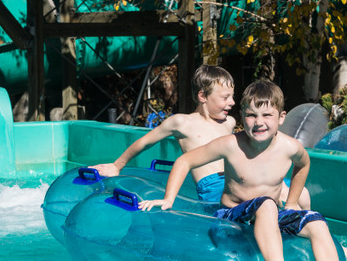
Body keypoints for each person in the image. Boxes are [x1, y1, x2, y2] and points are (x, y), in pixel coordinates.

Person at [140, 79, 347, 261]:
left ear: (281, 118)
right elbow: (185, 161)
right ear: (242, 116)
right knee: (267, 204)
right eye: (251, 115)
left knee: (316, 222)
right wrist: (168, 198)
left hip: (270, 214)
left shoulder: (290, 147)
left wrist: (291, 203)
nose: (258, 122)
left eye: (267, 116)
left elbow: (304, 164)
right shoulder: (231, 145)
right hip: (233, 217)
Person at [90, 65, 312, 209]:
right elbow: (144, 142)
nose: (232, 103)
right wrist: (117, 166)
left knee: (302, 195)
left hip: (241, 178)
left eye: (232, 97)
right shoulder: (181, 122)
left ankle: (309, 227)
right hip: (214, 186)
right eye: (225, 97)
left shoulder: (231, 122)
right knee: (261, 204)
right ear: (202, 96)